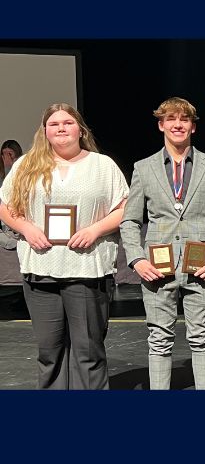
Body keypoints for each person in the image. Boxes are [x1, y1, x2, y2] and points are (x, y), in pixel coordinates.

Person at [0, 103, 129, 389]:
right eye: (54, 124)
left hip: (87, 268)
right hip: (41, 267)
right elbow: (6, 206)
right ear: (44, 131)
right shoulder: (26, 165)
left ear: (80, 130)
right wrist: (26, 228)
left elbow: (124, 208)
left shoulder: (102, 165)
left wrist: (95, 230)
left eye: (68, 122)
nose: (61, 128)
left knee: (88, 352)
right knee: (49, 351)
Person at [120, 97, 205, 390]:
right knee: (159, 339)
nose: (178, 124)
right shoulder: (143, 168)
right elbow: (130, 221)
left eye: (184, 119)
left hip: (202, 267)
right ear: (161, 125)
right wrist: (137, 259)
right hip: (157, 269)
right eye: (171, 119)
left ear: (193, 127)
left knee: (202, 337)